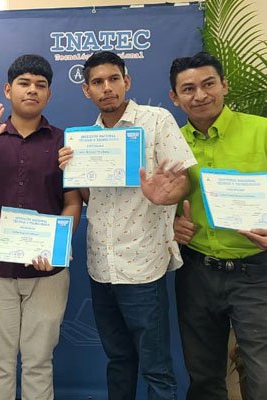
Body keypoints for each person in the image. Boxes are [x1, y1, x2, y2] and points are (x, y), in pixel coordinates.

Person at [168, 52, 267, 400]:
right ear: (175, 98)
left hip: (255, 272)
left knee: (265, 381)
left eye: (208, 84)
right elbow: (164, 202)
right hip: (196, 272)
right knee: (203, 378)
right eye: (188, 89)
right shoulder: (172, 143)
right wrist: (172, 226)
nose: (200, 95)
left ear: (224, 85)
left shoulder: (266, 132)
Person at [58, 51, 196, 400]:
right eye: (97, 82)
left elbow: (185, 180)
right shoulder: (86, 139)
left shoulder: (156, 121)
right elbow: (93, 198)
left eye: (113, 79)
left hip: (143, 266)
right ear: (86, 91)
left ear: (127, 81)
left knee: (156, 368)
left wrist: (165, 196)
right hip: (101, 266)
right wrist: (73, 174)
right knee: (118, 360)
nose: (107, 88)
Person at [0, 54, 83, 400]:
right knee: (0, 361)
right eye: (24, 83)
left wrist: (56, 247)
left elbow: (72, 201)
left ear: (50, 95)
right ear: (8, 90)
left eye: (41, 85)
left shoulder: (63, 141)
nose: (32, 90)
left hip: (48, 271)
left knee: (39, 361)